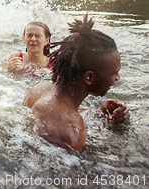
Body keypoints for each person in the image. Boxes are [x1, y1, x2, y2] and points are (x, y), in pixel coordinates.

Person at [23, 14, 130, 151]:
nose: (117, 78)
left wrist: (103, 114)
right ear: (89, 78)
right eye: (114, 73)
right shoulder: (70, 135)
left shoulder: (41, 88)